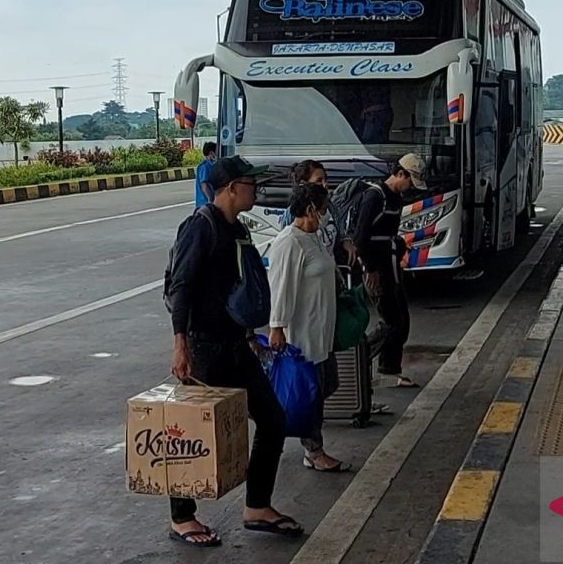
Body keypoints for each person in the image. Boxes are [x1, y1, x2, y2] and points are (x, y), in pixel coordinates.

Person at [165, 155, 303, 547]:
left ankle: (257, 506)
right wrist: (180, 345)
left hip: (236, 344)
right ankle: (182, 516)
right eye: (250, 184)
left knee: (273, 419)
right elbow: (182, 287)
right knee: (189, 432)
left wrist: (247, 336)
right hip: (203, 346)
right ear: (230, 189)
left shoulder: (238, 228)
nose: (256, 191)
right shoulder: (200, 227)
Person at [268, 182, 351, 473]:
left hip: (321, 330)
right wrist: (277, 326)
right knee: (312, 393)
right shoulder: (289, 242)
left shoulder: (312, 237)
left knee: (328, 385)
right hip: (302, 333)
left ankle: (307, 435)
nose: (327, 215)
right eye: (324, 209)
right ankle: (313, 449)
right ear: (310, 209)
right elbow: (281, 287)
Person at [352, 153, 425, 388]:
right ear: (400, 173)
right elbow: (361, 237)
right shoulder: (375, 197)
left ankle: (390, 368)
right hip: (376, 268)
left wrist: (401, 247)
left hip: (391, 265)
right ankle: (359, 361)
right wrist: (370, 270)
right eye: (410, 181)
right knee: (390, 320)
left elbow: (388, 234)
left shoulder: (395, 199)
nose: (410, 187)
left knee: (402, 319)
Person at [194, 142, 218, 208]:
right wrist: (210, 199)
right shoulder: (205, 166)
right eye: (216, 151)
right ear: (211, 153)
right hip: (204, 203)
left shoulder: (211, 165)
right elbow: (204, 185)